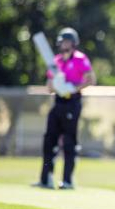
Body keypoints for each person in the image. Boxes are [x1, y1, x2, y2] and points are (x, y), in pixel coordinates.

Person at [33, 28, 96, 190]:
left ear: (73, 43)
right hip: (58, 102)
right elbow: (49, 87)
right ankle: (46, 178)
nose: (64, 44)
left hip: (73, 103)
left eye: (67, 42)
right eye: (62, 41)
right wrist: (58, 87)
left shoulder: (80, 59)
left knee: (69, 142)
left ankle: (67, 180)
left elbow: (91, 79)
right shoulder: (55, 62)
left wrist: (72, 88)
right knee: (49, 142)